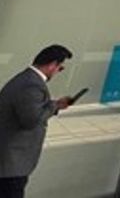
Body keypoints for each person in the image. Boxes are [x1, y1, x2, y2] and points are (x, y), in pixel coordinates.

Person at [0, 45, 74, 198]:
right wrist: (55, 106)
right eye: (60, 68)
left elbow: (31, 110)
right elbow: (31, 120)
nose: (58, 72)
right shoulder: (32, 84)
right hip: (12, 162)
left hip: (10, 160)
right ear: (52, 64)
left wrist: (55, 105)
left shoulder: (25, 79)